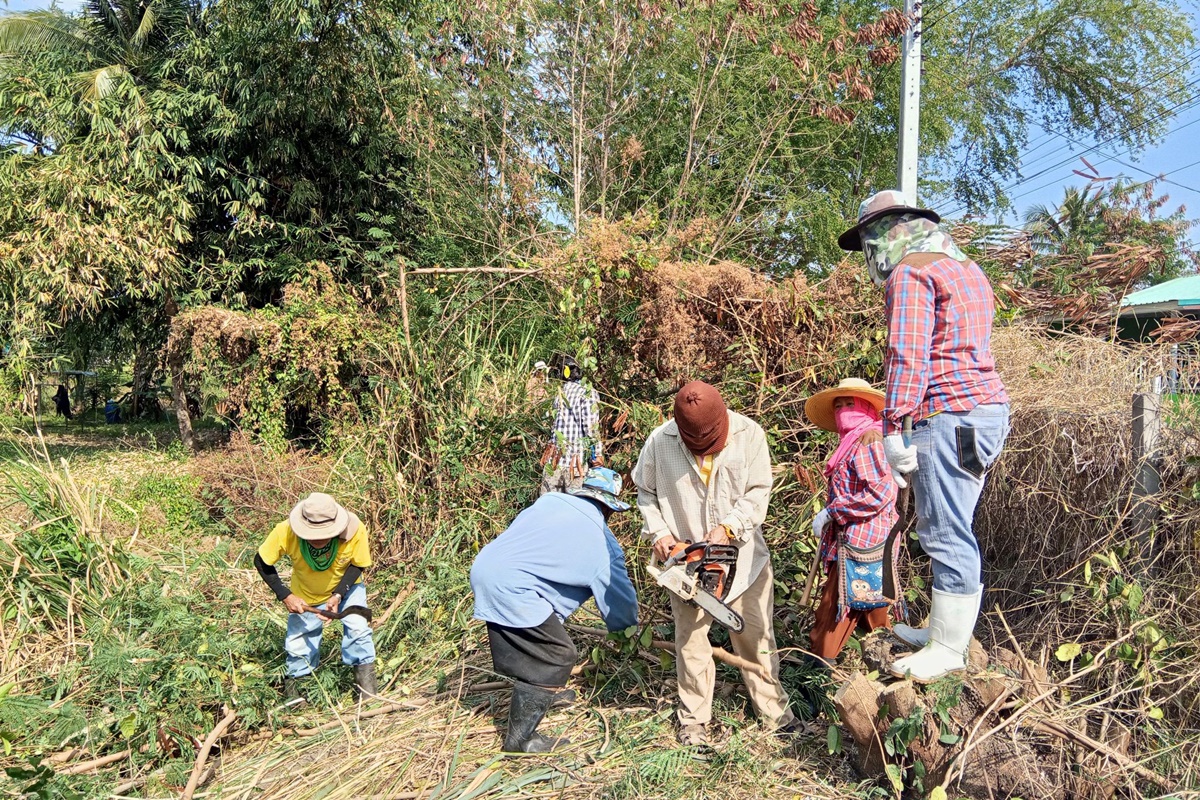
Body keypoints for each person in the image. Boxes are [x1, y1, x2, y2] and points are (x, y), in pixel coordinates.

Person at [838, 190, 1010, 683]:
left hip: (949, 414)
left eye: (870, 240)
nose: (869, 254)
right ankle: (941, 628)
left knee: (943, 530)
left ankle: (949, 649)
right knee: (953, 520)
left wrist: (893, 428)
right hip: (984, 410)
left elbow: (906, 355)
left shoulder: (911, 271)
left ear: (887, 232)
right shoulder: (965, 267)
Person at [633, 381, 798, 745]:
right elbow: (644, 491)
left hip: (744, 564)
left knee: (757, 638)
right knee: (691, 644)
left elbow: (758, 492)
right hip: (687, 568)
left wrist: (728, 527)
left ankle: (774, 713)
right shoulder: (660, 442)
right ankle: (693, 720)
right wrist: (659, 534)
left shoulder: (748, 435)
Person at [470, 467, 638, 753]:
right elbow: (619, 602)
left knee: (538, 641)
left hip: (485, 569)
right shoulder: (604, 545)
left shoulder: (550, 501)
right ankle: (521, 740)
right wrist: (627, 634)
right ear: (610, 508)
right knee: (558, 655)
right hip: (516, 588)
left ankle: (544, 695)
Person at [803, 378, 898, 661]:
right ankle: (889, 664)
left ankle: (815, 680)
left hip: (863, 546)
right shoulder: (851, 442)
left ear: (866, 408)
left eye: (850, 404)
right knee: (873, 612)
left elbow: (881, 495)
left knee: (833, 610)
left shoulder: (868, 441)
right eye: (839, 405)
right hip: (858, 542)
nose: (844, 410)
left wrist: (833, 511)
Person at [254, 492, 377, 700]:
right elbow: (261, 561)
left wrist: (338, 595)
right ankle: (297, 703)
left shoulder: (355, 530)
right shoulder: (285, 531)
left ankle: (368, 697)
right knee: (299, 645)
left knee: (358, 630)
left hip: (348, 589)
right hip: (305, 593)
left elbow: (359, 563)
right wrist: (286, 596)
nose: (318, 539)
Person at [539, 354, 603, 495]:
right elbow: (591, 428)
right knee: (574, 511)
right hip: (576, 466)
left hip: (554, 464)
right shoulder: (587, 393)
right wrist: (597, 454)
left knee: (548, 511)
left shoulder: (559, 394)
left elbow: (554, 428)